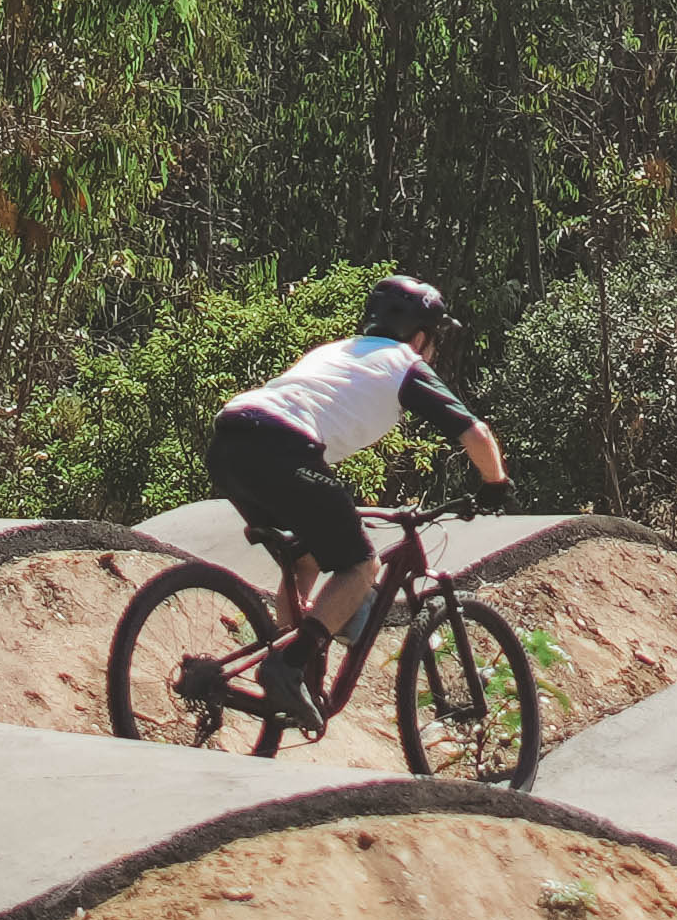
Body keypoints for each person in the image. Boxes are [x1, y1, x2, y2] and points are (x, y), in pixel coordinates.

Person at [196, 277, 507, 724]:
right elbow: (474, 433)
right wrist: (495, 485)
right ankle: (289, 665)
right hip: (283, 446)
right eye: (434, 338)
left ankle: (287, 661)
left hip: (229, 441)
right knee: (361, 565)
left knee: (302, 561)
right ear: (420, 337)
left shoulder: (336, 350)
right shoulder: (403, 362)